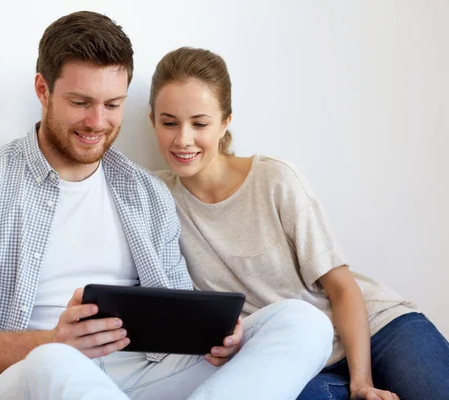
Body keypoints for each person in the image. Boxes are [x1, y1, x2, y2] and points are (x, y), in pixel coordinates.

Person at [0, 11, 334, 400]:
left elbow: (177, 305)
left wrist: (214, 339)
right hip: (35, 374)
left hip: (142, 375)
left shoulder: (145, 192)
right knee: (55, 361)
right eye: (80, 103)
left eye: (113, 105)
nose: (97, 122)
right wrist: (53, 341)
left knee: (303, 322)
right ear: (43, 90)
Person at [150, 46, 449, 400]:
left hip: (375, 328)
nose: (183, 139)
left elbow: (341, 287)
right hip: (296, 357)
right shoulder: (154, 198)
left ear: (225, 123)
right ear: (152, 120)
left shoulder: (275, 179)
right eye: (169, 123)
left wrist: (362, 383)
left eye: (199, 123)